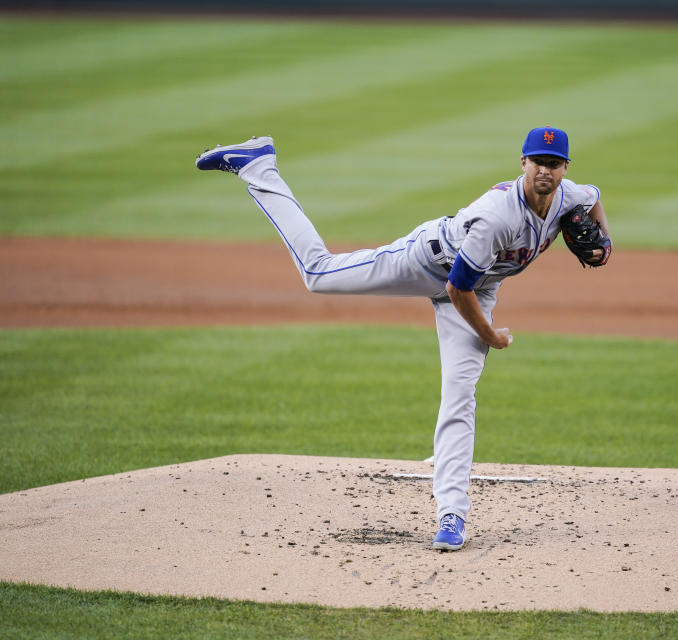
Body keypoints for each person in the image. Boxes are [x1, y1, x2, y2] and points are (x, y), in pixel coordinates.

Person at [196, 126, 610, 550]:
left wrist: (604, 245)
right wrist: (492, 336)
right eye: (537, 161)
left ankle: (452, 515)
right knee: (318, 274)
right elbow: (456, 287)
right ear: (523, 163)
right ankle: (259, 166)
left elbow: (593, 199)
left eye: (554, 164)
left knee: (460, 393)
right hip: (428, 264)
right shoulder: (497, 217)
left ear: (564, 168)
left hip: (476, 291)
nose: (545, 170)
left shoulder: (569, 193)